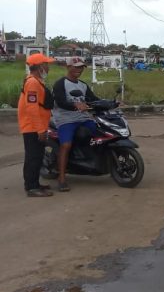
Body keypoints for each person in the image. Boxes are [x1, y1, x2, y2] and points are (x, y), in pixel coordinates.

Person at [51, 57, 102, 192]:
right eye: (76, 67)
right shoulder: (60, 84)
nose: (79, 70)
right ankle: (61, 178)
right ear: (68, 67)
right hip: (66, 119)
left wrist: (112, 103)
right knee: (66, 145)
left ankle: (91, 161)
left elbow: (94, 99)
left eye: (81, 67)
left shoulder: (83, 85)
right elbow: (61, 102)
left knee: (101, 134)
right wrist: (75, 105)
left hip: (83, 117)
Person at [18, 53, 56, 197]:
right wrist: (40, 129)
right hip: (32, 127)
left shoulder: (36, 81)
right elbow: (32, 108)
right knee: (33, 157)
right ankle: (31, 187)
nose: (48, 67)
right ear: (40, 67)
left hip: (37, 126)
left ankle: (34, 183)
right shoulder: (32, 82)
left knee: (37, 156)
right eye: (46, 65)